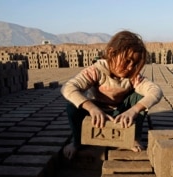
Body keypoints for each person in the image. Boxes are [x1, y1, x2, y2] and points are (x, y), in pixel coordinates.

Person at [61, 30, 163, 160]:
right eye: (127, 61)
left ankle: (134, 138)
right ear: (111, 53)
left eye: (135, 64)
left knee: (140, 98)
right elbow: (67, 88)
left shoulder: (133, 77)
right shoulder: (96, 71)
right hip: (96, 114)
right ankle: (77, 142)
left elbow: (156, 91)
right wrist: (91, 108)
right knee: (72, 106)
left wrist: (133, 111)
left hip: (122, 114)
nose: (130, 67)